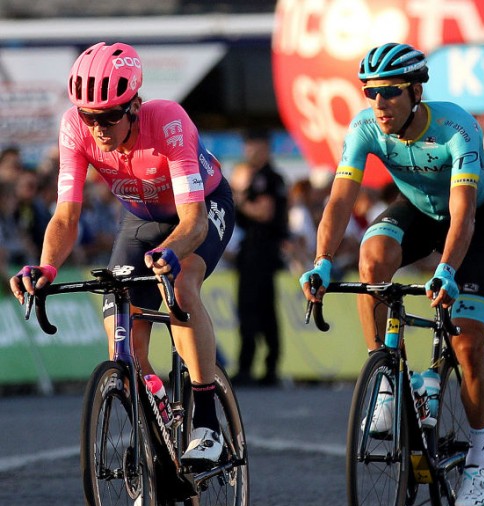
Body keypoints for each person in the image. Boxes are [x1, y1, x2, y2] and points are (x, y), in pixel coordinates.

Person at [8, 42, 235, 469]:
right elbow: (66, 215)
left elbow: (194, 223)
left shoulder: (167, 121)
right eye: (89, 116)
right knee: (121, 331)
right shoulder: (74, 128)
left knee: (182, 285)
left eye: (110, 116)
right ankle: (155, 420)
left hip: (201, 208)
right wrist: (46, 265)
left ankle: (207, 422)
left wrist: (171, 252)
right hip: (140, 219)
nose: (98, 128)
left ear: (134, 106)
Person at [300, 43, 484, 506]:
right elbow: (340, 200)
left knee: (468, 346)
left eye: (390, 92)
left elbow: (462, 215)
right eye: (370, 92)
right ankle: (389, 380)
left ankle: (478, 457)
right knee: (371, 260)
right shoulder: (365, 127)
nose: (379, 103)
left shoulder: (456, 128)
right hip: (416, 210)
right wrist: (323, 259)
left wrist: (447, 269)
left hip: (467, 218)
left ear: (415, 92)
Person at [231, 132, 288, 387]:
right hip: (254, 251)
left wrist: (238, 197)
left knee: (254, 310)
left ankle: (255, 367)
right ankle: (264, 366)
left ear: (264, 147)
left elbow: (264, 212)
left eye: (252, 145)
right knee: (259, 311)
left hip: (260, 253)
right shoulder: (260, 176)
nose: (248, 151)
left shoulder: (267, 178)